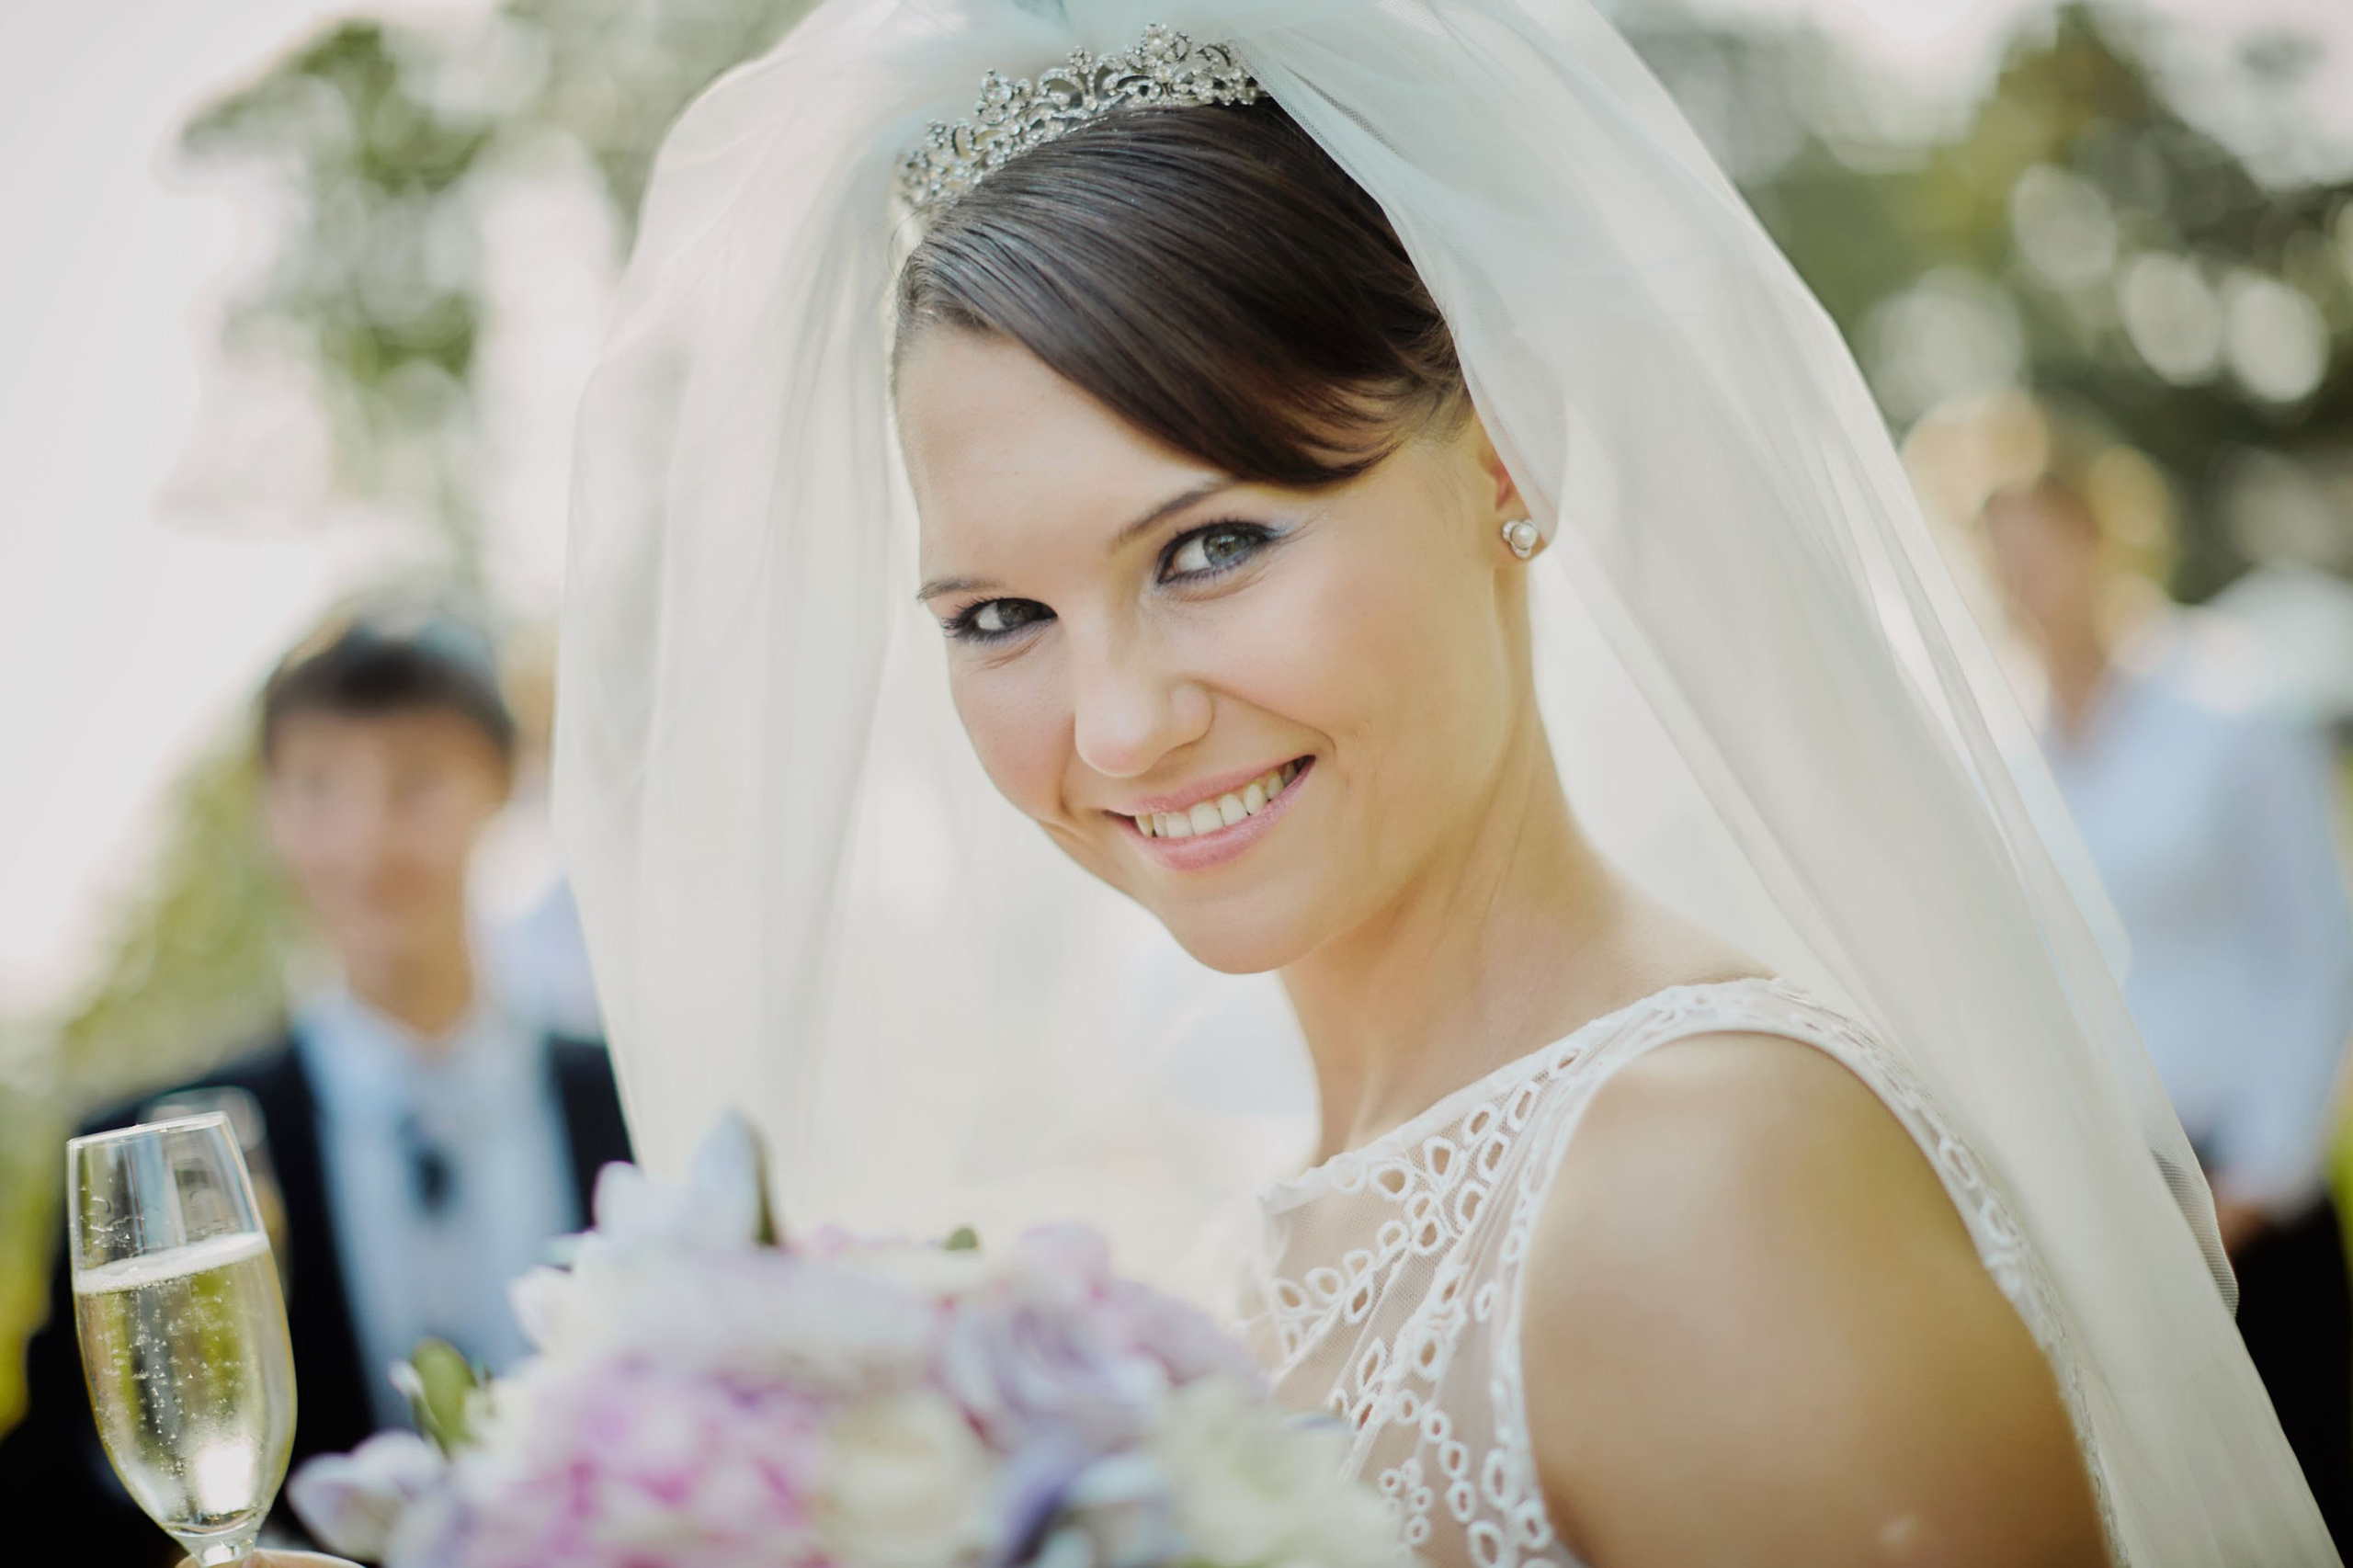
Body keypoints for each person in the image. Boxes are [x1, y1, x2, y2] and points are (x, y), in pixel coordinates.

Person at [200, 2, 2330, 1564]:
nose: (1114, 727)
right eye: (993, 616)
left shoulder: (1702, 1183)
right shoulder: (1238, 1227)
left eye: (1207, 545)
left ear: (1497, 452)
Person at [17, 607, 631, 1563]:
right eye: (318, 788)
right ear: (267, 811)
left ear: (500, 789)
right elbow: (59, 1490)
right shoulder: (146, 1152)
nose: (366, 841)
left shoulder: (632, 1106)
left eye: (416, 784)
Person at [1984, 468, 2353, 1541]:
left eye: (2037, 542)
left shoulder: (2230, 711)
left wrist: (2256, 1179)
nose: (2020, 575)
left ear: (2098, 535)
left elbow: (2317, 948)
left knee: (2308, 1487)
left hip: (2248, 1188)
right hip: (2112, 1197)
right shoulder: (2000, 747)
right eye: (1995, 550)